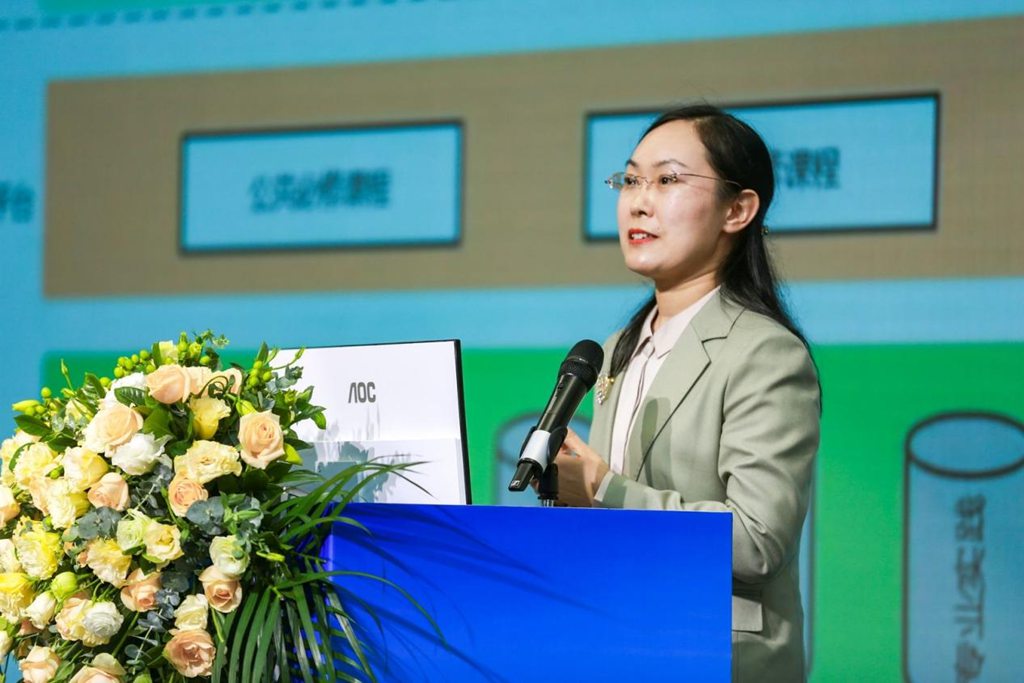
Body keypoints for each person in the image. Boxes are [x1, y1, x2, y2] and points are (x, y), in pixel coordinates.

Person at [553, 104, 820, 682]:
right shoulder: (617, 347)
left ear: (737, 209)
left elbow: (755, 542)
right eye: (630, 180)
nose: (638, 202)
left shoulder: (765, 353)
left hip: (715, 656)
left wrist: (603, 488)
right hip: (618, 644)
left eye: (668, 180)